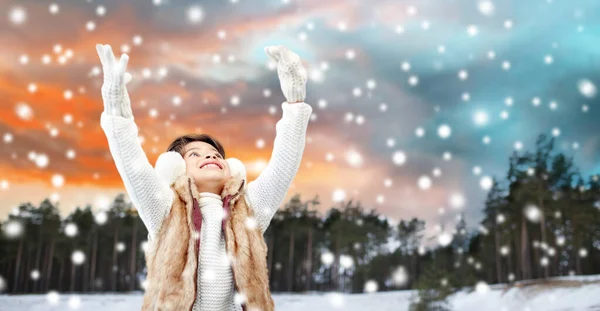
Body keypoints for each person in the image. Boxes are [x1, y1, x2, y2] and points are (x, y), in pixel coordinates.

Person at [96, 43, 312, 311]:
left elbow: (284, 164)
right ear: (176, 168)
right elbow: (131, 164)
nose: (210, 157)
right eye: (195, 155)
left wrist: (296, 105)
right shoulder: (165, 208)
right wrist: (116, 113)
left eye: (215, 154)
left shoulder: (248, 209)